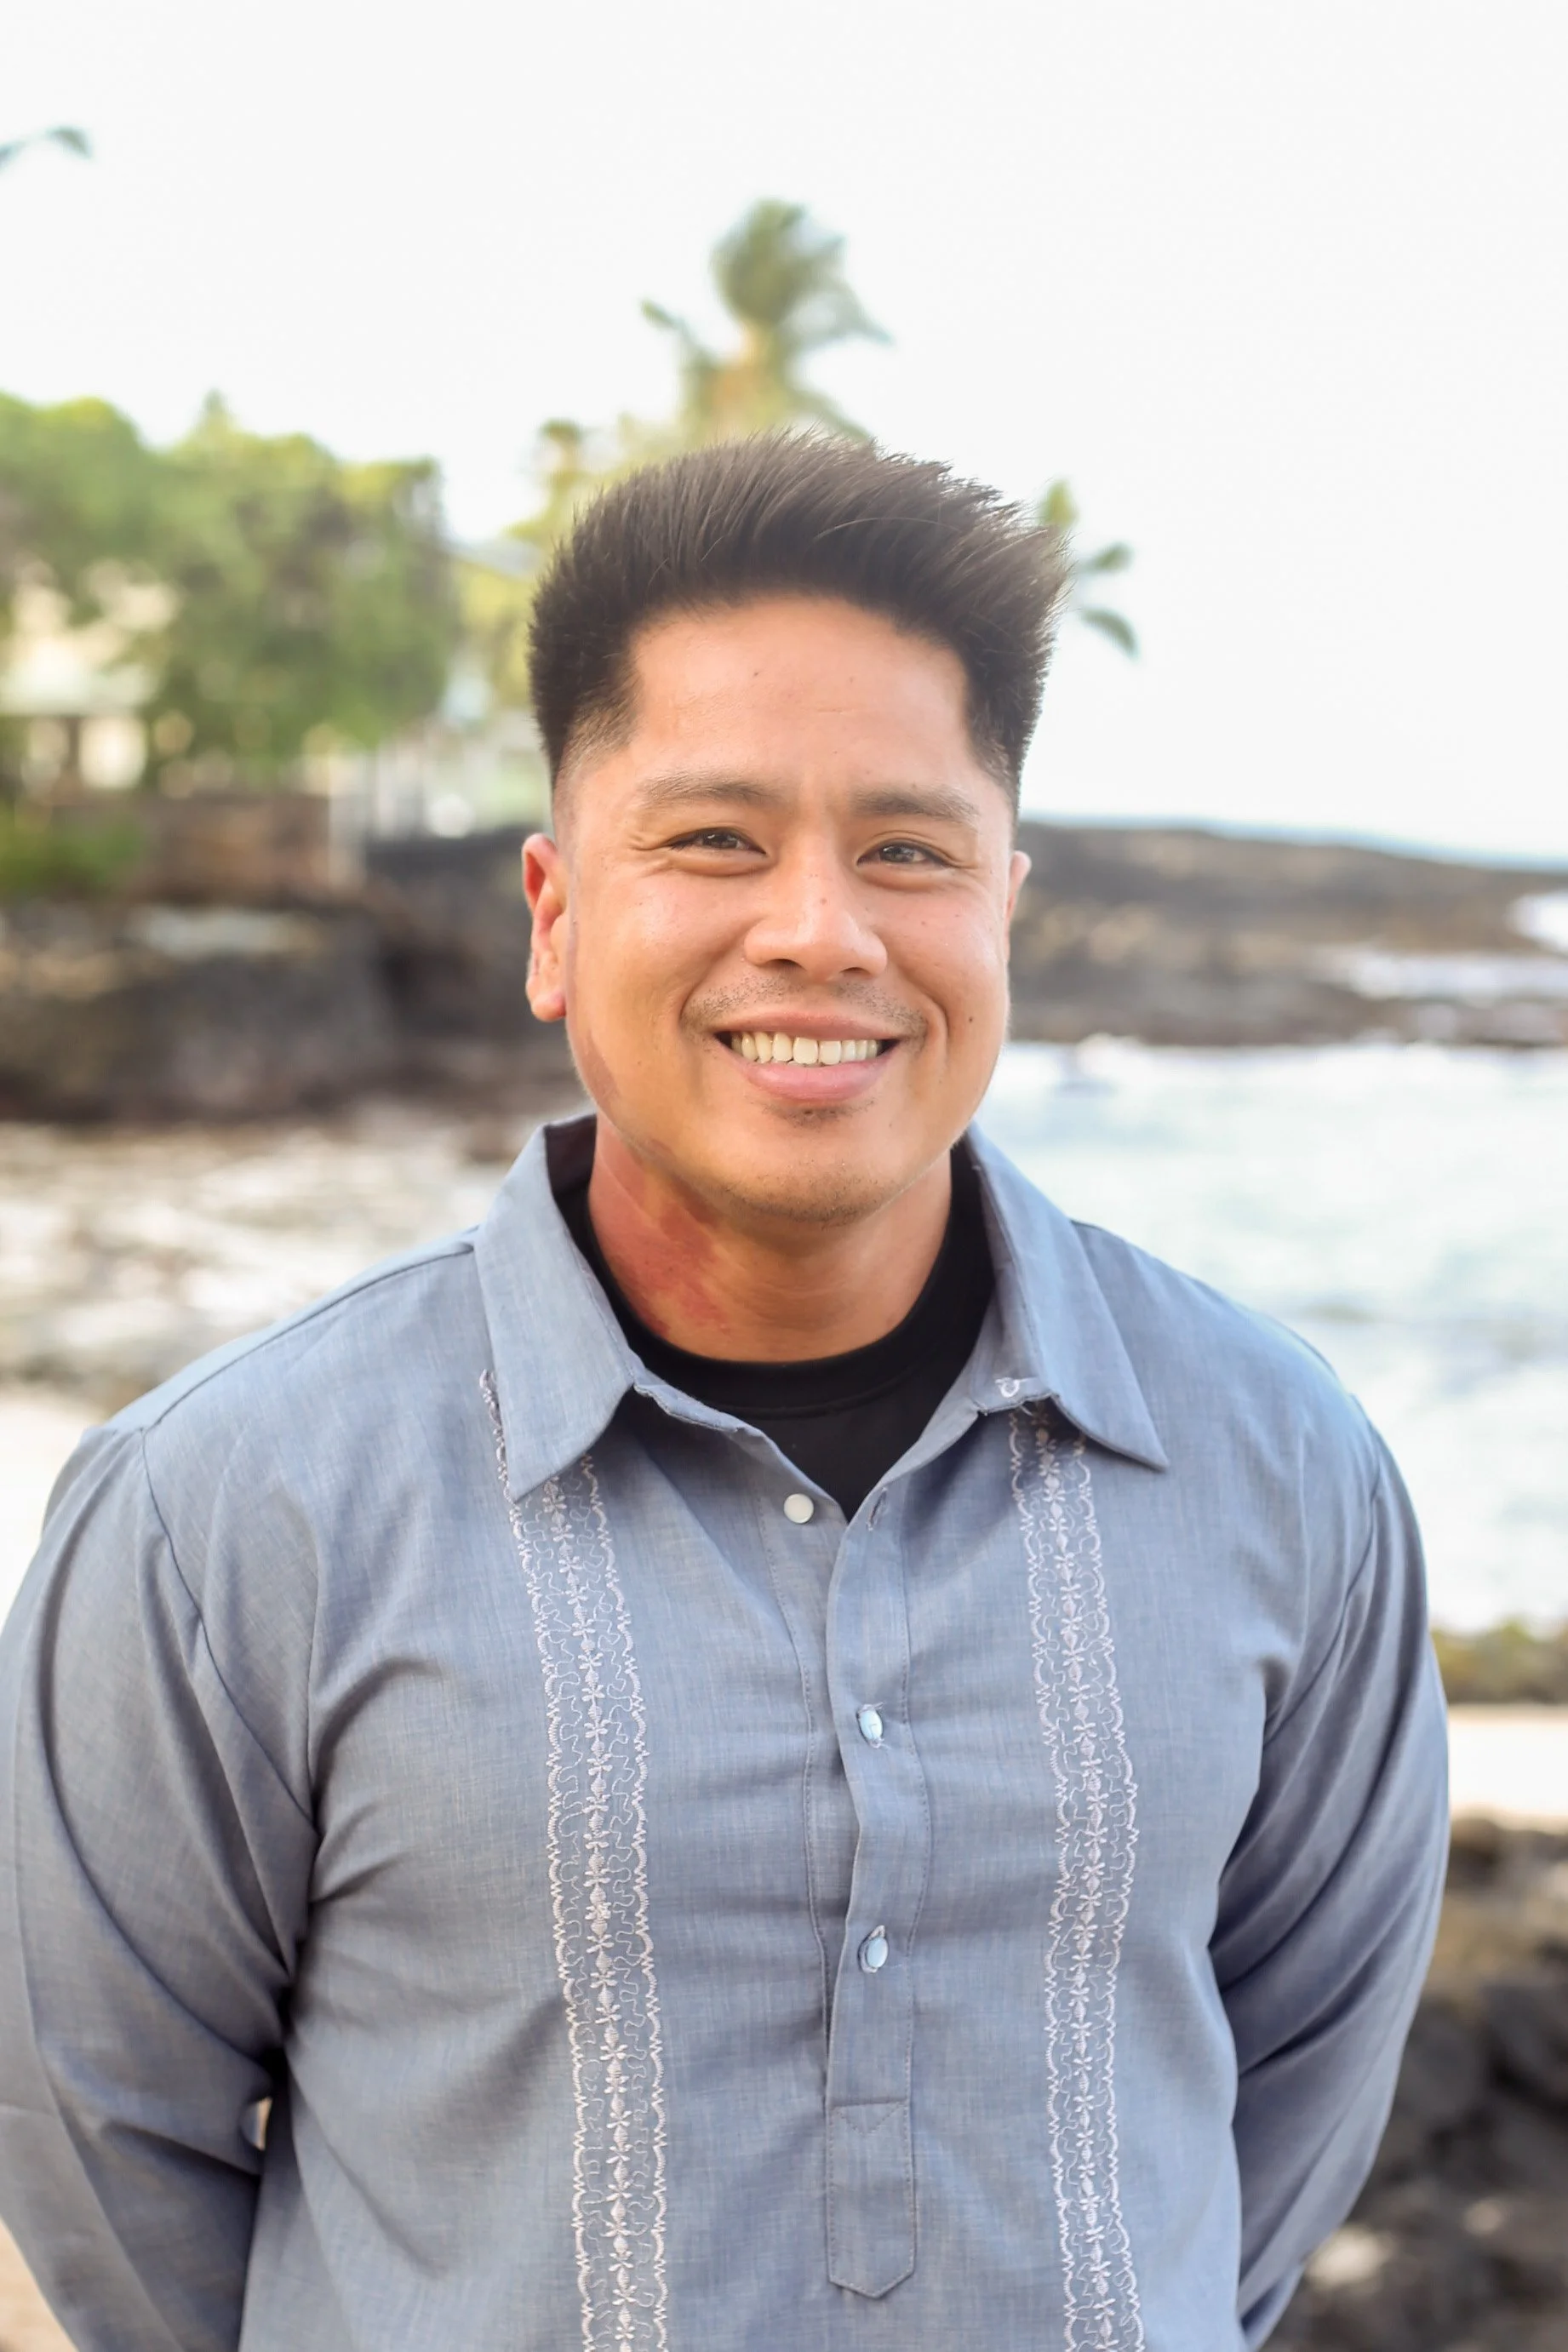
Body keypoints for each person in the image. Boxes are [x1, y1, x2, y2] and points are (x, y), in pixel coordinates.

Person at [0, 436, 1446, 2352]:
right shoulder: (220, 1510)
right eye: (713, 840)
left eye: (908, 851)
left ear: (1003, 903)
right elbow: (102, 2150)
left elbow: (1293, 2106)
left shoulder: (1286, 1468)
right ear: (553, 912)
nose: (821, 931)